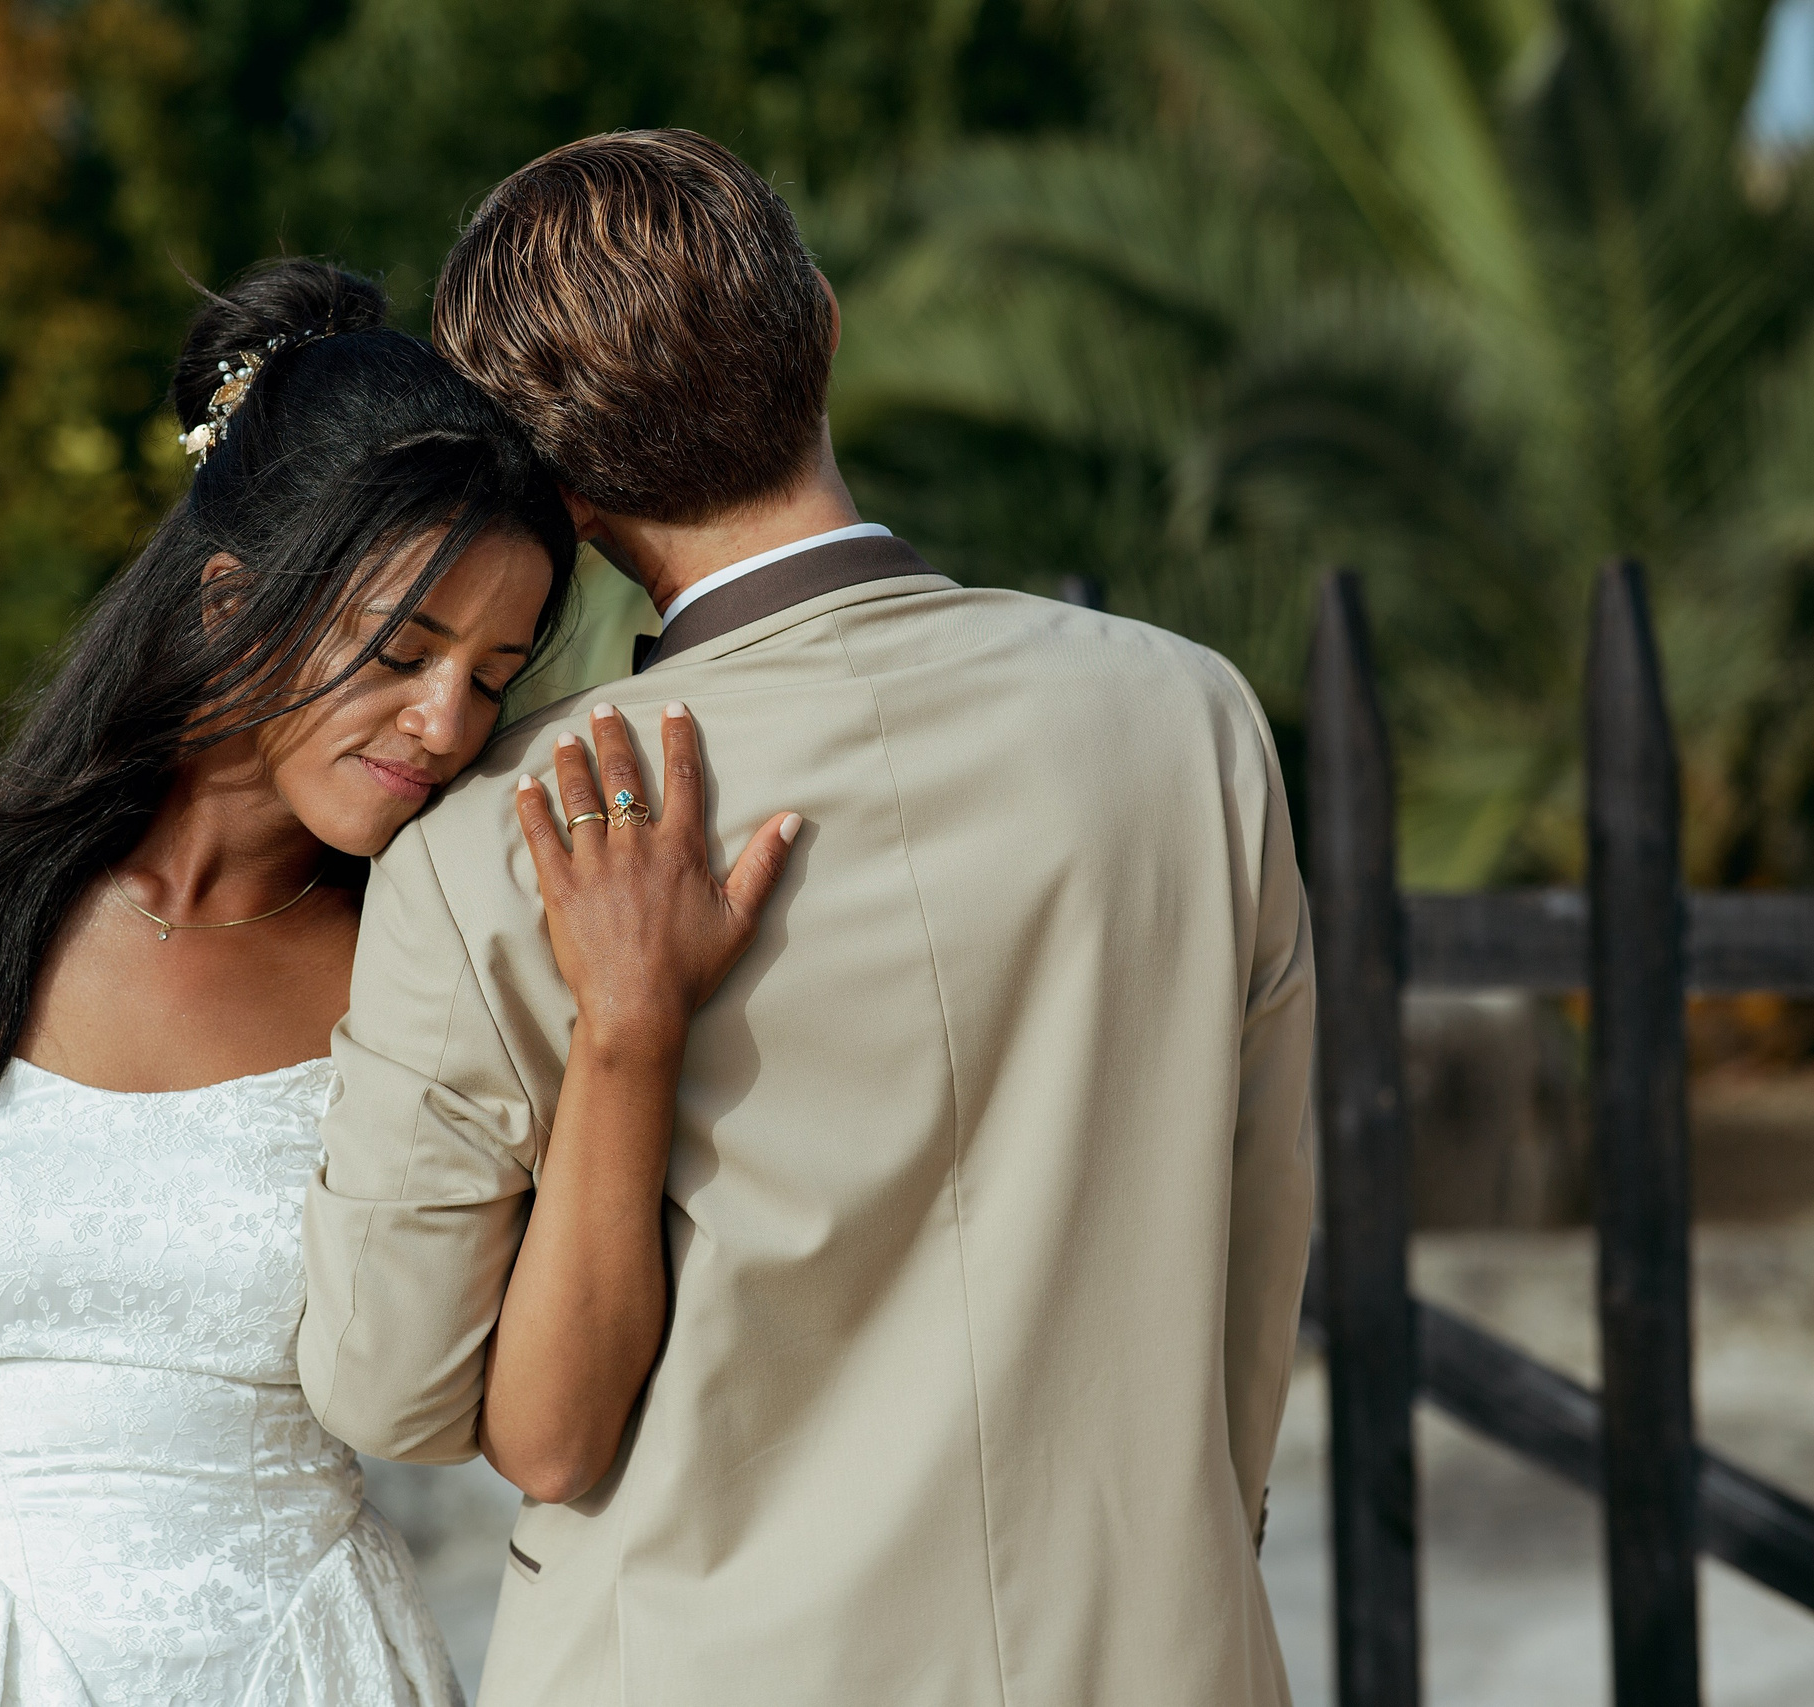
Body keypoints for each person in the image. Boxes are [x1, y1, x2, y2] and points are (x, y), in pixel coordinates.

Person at [0, 258, 798, 1707]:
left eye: (494, 676)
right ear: (236, 599)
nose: (446, 723)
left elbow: (551, 1438)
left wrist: (628, 1028)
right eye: (404, 650)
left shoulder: (427, 968)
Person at [299, 130, 1318, 1706]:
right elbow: (1260, 1236)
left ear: (556, 489)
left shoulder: (499, 840)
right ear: (825, 329)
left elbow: (391, 1381)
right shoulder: (1189, 720)